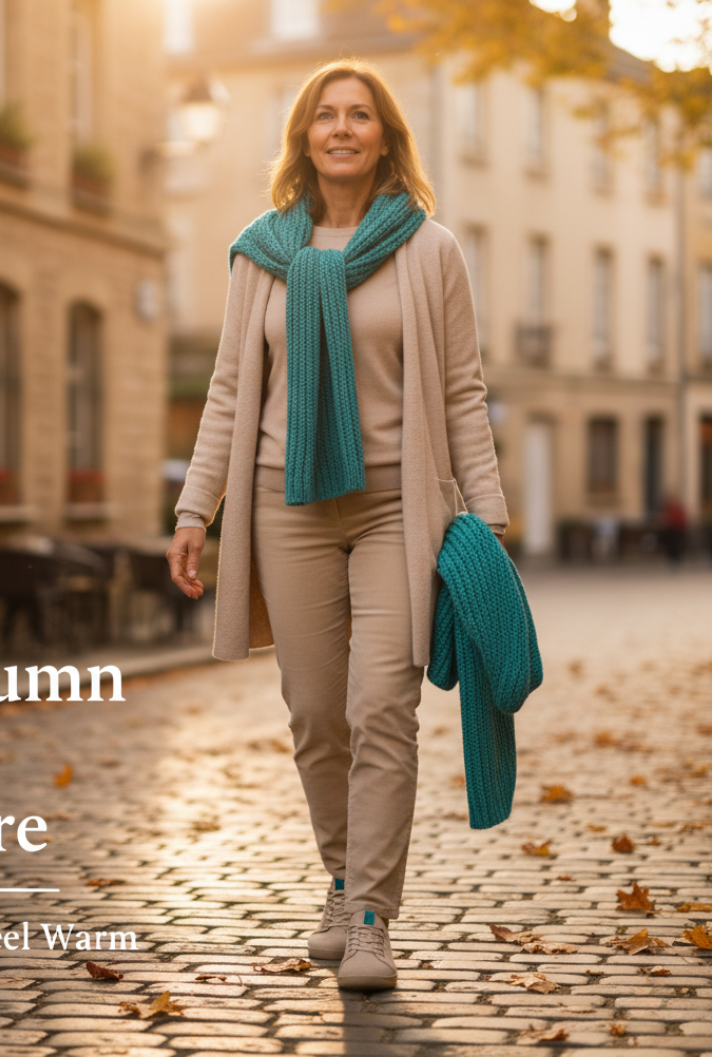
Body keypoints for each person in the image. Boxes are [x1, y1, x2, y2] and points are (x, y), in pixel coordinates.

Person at [166, 59, 508, 991]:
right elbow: (232, 390)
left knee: (381, 710)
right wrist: (197, 506)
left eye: (362, 115)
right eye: (328, 115)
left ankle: (368, 917)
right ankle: (338, 874)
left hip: (402, 506)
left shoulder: (429, 250)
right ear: (305, 137)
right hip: (286, 504)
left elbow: (462, 391)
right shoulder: (260, 253)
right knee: (318, 717)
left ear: (387, 137)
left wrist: (488, 511)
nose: (345, 128)